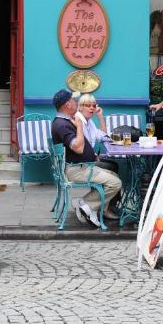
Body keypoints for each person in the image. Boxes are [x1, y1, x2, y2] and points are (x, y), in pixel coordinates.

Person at [50, 89, 122, 227]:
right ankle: (86, 205)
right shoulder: (62, 124)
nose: (76, 102)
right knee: (115, 183)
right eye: (73, 100)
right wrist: (79, 127)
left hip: (82, 166)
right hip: (77, 169)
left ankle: (89, 206)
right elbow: (79, 148)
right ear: (67, 105)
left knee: (113, 173)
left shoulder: (64, 121)